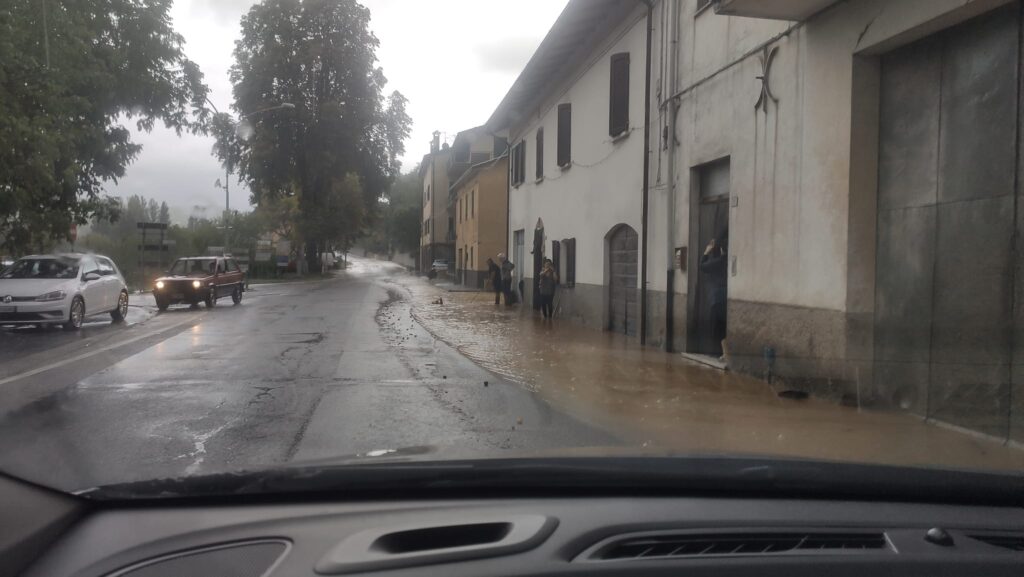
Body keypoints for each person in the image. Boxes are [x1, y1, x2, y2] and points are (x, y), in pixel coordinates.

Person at [699, 233, 729, 360]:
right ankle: (724, 353)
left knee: (717, 327)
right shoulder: (727, 260)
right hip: (727, 297)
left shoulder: (719, 261)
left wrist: (706, 252)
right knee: (722, 326)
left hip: (717, 299)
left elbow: (702, 266)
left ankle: (721, 353)